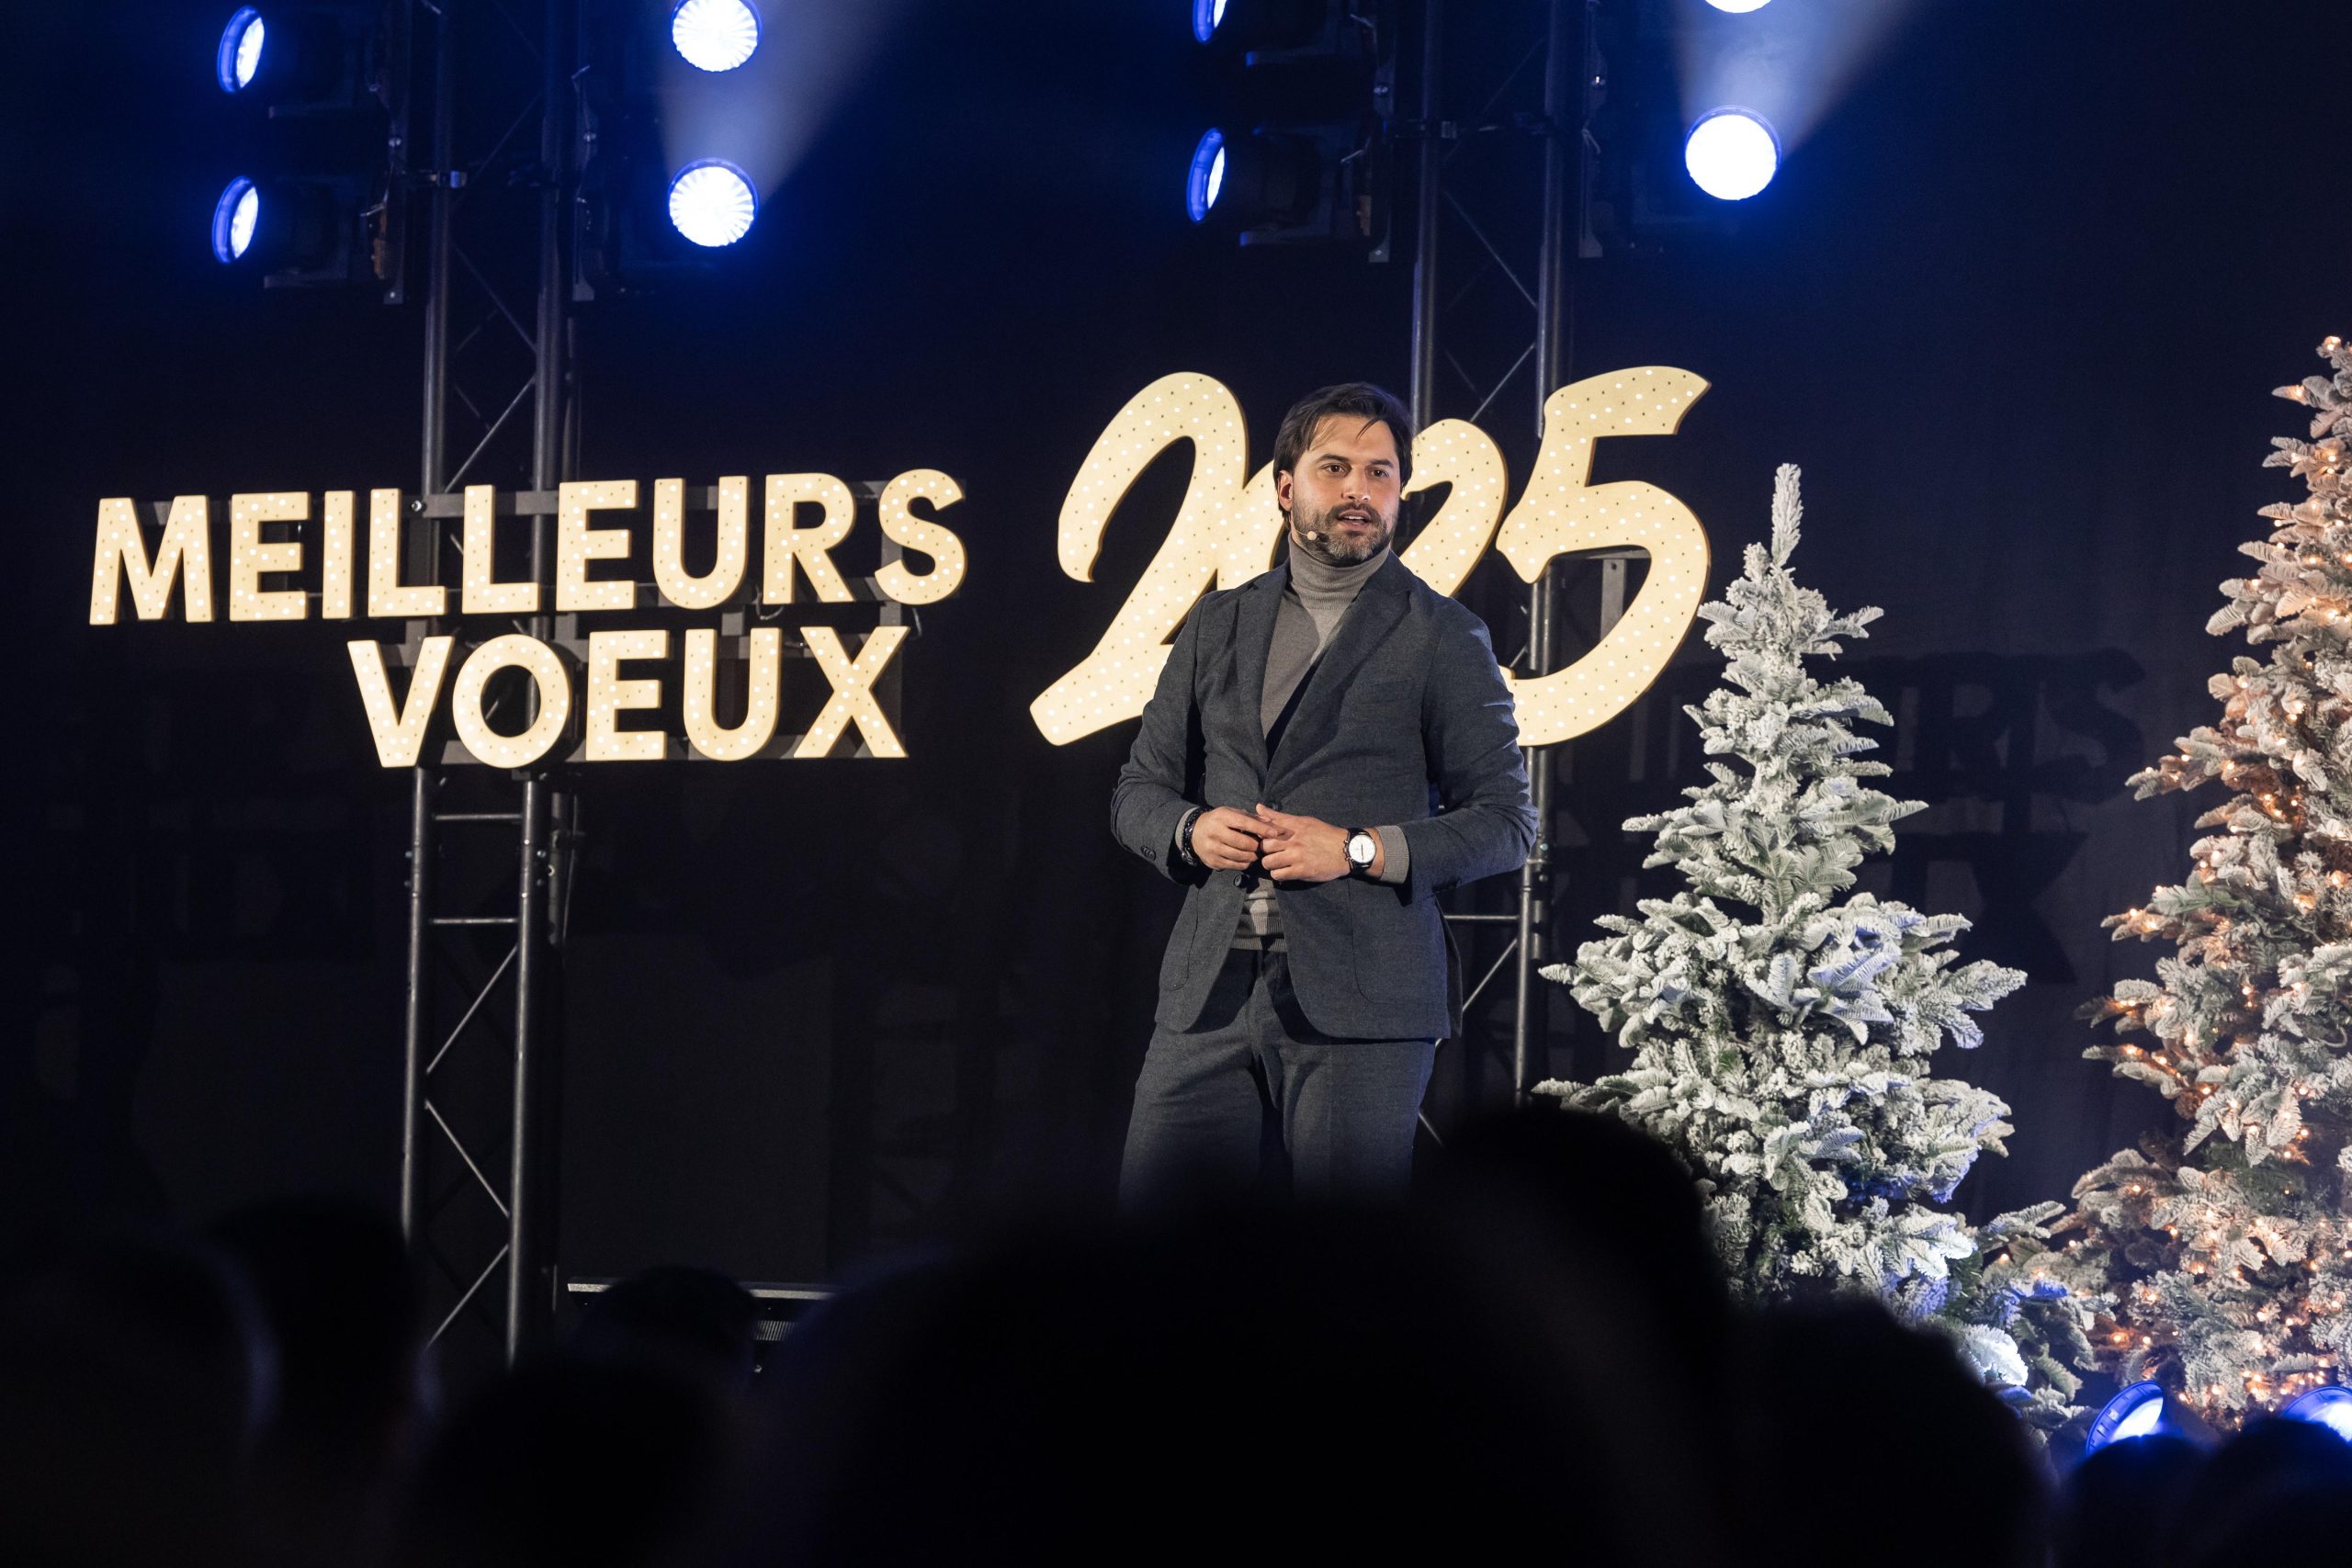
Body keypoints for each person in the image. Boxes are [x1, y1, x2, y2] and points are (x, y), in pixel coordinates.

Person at [1111, 381, 1535, 1207]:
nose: (1358, 490)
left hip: (1365, 995)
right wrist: (1190, 831)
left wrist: (1358, 848)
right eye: (1335, 467)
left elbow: (1507, 821)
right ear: (1284, 487)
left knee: (1343, 1280)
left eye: (1380, 474)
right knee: (1155, 1267)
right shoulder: (1217, 623)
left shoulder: (1443, 634)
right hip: (1208, 993)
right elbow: (1138, 789)